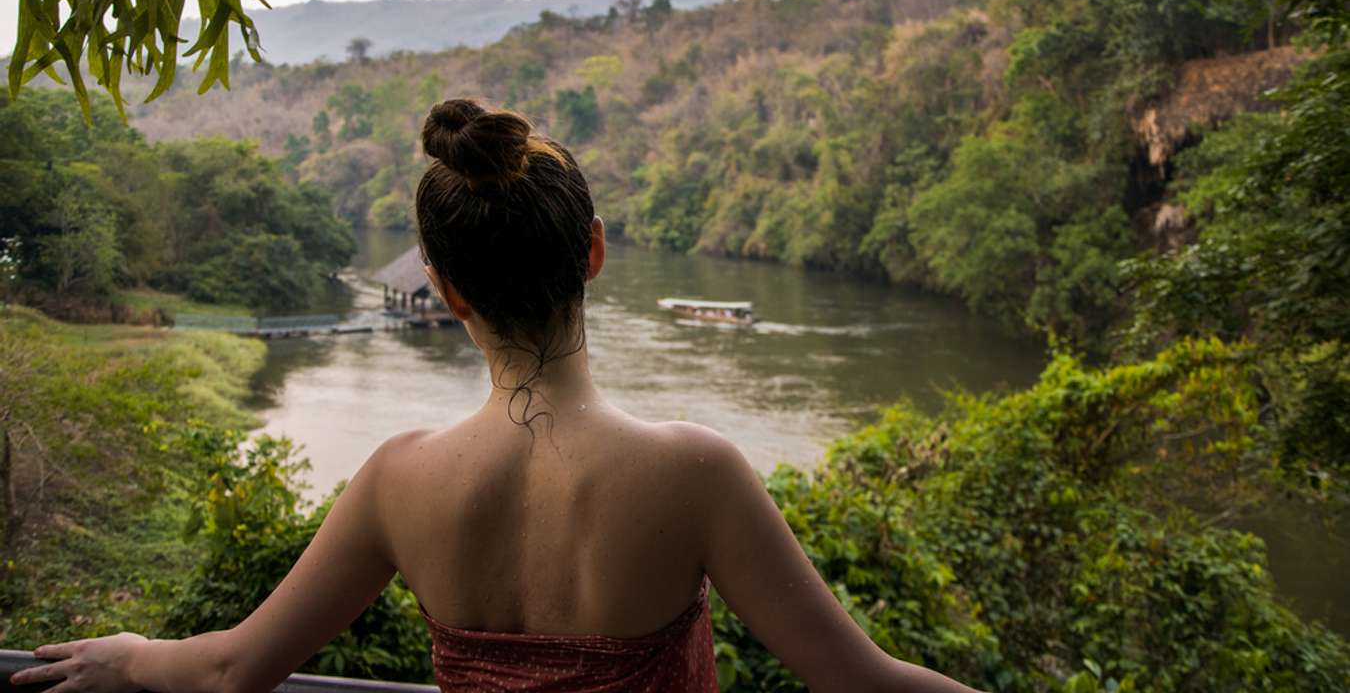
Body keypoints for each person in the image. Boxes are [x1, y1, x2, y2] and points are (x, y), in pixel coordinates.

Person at [11, 100, 982, 693]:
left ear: (446, 289)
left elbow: (229, 669)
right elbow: (860, 679)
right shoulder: (696, 472)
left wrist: (133, 656)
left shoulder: (400, 480)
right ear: (595, 251)